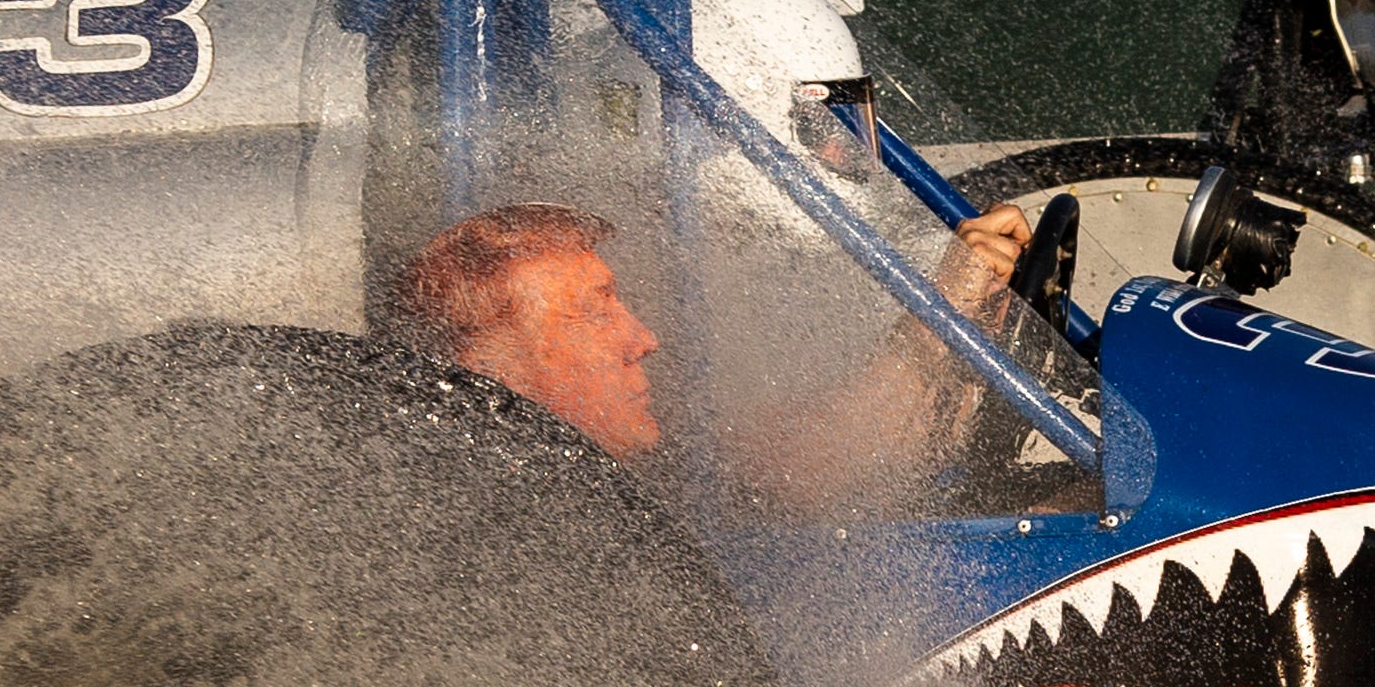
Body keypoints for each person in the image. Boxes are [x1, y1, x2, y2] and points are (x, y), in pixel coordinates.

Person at [392, 198, 1036, 502]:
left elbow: (812, 460)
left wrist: (960, 313)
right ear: (488, 371)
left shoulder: (646, 477)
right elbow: (814, 470)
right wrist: (936, 314)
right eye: (592, 313)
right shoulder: (505, 525)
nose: (643, 339)